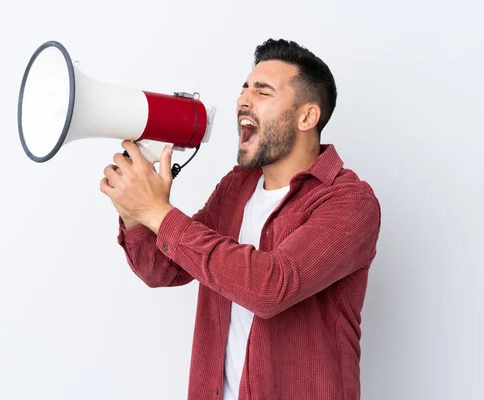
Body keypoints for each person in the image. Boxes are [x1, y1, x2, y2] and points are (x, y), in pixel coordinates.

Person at [100, 38, 381, 400]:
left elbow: (270, 288)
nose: (243, 101)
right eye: (244, 89)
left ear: (307, 116)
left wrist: (157, 211)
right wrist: (134, 213)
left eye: (262, 92)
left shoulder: (349, 201)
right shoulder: (238, 186)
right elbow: (162, 270)